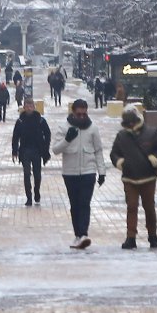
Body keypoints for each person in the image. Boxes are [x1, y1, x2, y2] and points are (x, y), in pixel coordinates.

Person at [109, 105, 157, 250]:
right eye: (128, 121)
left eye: (133, 121)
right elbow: (114, 153)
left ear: (137, 119)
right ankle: (131, 237)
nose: (131, 124)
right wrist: (120, 162)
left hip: (148, 177)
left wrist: (156, 158)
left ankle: (153, 236)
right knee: (131, 207)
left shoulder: (152, 133)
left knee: (149, 207)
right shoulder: (122, 136)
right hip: (129, 178)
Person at [53, 98, 107, 249]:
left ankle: (83, 233)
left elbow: (98, 150)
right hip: (70, 173)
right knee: (74, 205)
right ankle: (77, 235)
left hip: (88, 172)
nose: (82, 117)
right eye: (79, 114)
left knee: (84, 203)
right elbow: (56, 150)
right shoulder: (64, 127)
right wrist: (67, 140)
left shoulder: (92, 128)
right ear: (73, 113)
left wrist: (101, 171)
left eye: (84, 114)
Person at [11, 99, 52, 206]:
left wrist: (46, 147)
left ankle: (37, 191)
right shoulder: (20, 121)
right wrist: (14, 151)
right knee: (26, 173)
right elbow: (15, 136)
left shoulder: (40, 120)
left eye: (31, 106)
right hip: (25, 151)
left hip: (37, 150)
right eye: (27, 106)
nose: (29, 108)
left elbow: (47, 133)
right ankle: (29, 197)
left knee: (37, 175)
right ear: (24, 107)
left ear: (34, 107)